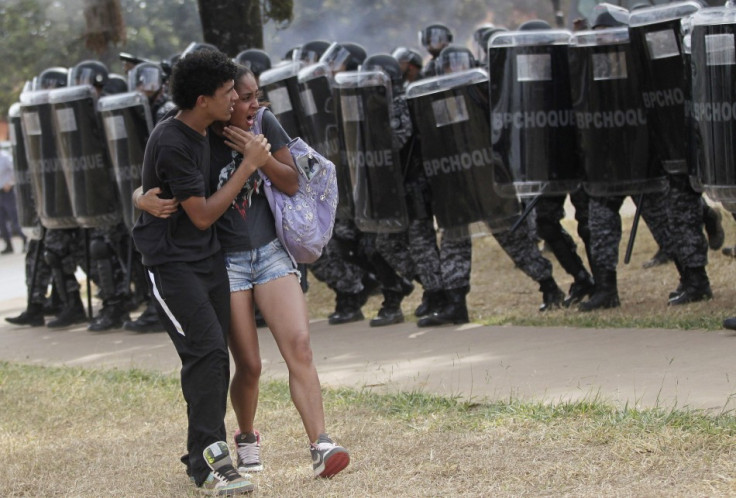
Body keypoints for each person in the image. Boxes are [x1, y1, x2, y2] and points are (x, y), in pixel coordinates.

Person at [137, 63, 350, 481]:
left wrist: (260, 156)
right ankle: (247, 436)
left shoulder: (263, 121)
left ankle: (321, 444)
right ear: (218, 99)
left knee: (300, 347)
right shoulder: (195, 132)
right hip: (224, 260)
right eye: (242, 95)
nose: (252, 103)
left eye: (254, 95)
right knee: (248, 365)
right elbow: (157, 175)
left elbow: (291, 182)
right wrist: (140, 199)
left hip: (269, 251)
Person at [131, 50, 270, 494]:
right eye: (228, 93)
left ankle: (201, 453)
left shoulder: (209, 126)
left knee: (211, 358)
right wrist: (249, 165)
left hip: (207, 260)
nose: (236, 100)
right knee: (208, 354)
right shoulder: (172, 139)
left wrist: (138, 193)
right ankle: (211, 463)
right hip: (170, 263)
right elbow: (204, 215)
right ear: (202, 98)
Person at [0, 145, 27, 254]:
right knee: (1, 222)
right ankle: (8, 245)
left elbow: (16, 169)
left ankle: (25, 241)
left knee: (15, 218)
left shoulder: (4, 157)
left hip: (7, 192)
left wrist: (10, 183)